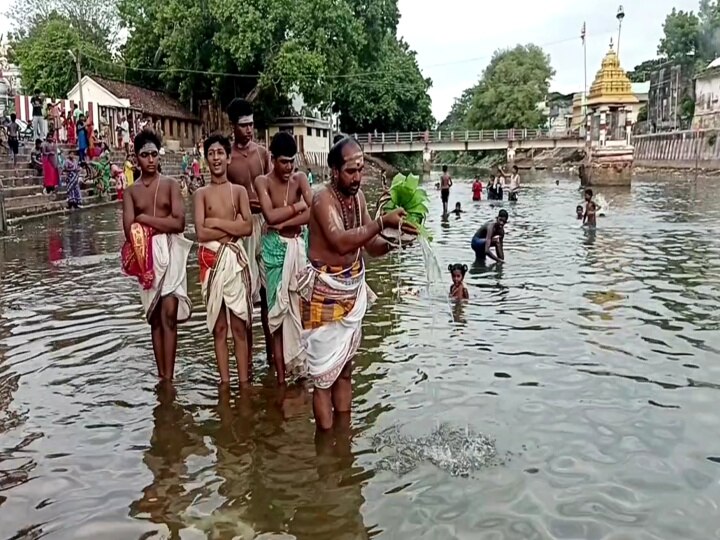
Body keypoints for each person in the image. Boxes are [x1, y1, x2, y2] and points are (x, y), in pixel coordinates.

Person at [299, 136, 411, 430]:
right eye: (351, 171)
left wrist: (396, 240)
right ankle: (325, 444)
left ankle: (343, 445)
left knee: (346, 370)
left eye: (360, 170)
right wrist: (381, 222)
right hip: (324, 291)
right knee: (323, 378)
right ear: (334, 171)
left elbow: (369, 246)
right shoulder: (321, 198)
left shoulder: (358, 198)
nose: (357, 177)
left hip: (350, 293)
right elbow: (339, 242)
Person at [121, 130, 193, 381]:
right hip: (146, 258)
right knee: (154, 318)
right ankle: (162, 376)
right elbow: (129, 230)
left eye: (154, 154)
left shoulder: (171, 185)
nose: (150, 159)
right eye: (145, 155)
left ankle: (170, 378)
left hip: (171, 252)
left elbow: (179, 223)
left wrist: (146, 219)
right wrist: (159, 223)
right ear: (136, 158)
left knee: (169, 314)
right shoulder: (131, 192)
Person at [194, 133, 254, 385]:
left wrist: (216, 222)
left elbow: (249, 227)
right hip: (211, 262)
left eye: (220, 153)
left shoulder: (238, 191)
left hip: (234, 262)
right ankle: (225, 384)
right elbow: (200, 232)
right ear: (206, 159)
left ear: (228, 158)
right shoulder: (200, 194)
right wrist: (232, 227)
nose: (216, 158)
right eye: (211, 153)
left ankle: (243, 384)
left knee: (239, 328)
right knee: (219, 329)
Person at [255, 132, 313, 385]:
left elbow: (313, 211)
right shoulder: (262, 182)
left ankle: (301, 371)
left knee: (301, 311)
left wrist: (287, 219)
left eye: (292, 161)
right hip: (273, 251)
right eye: (283, 162)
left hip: (298, 248)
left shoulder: (300, 179)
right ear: (272, 159)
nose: (288, 167)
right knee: (276, 316)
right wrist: (297, 207)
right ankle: (280, 380)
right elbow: (269, 217)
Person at [225, 98, 273, 360]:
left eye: (252, 125)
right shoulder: (227, 156)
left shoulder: (262, 153)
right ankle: (247, 356)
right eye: (244, 126)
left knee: (267, 293)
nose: (249, 130)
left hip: (264, 224)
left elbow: (271, 188)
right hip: (241, 228)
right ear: (233, 126)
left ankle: (271, 354)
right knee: (244, 294)